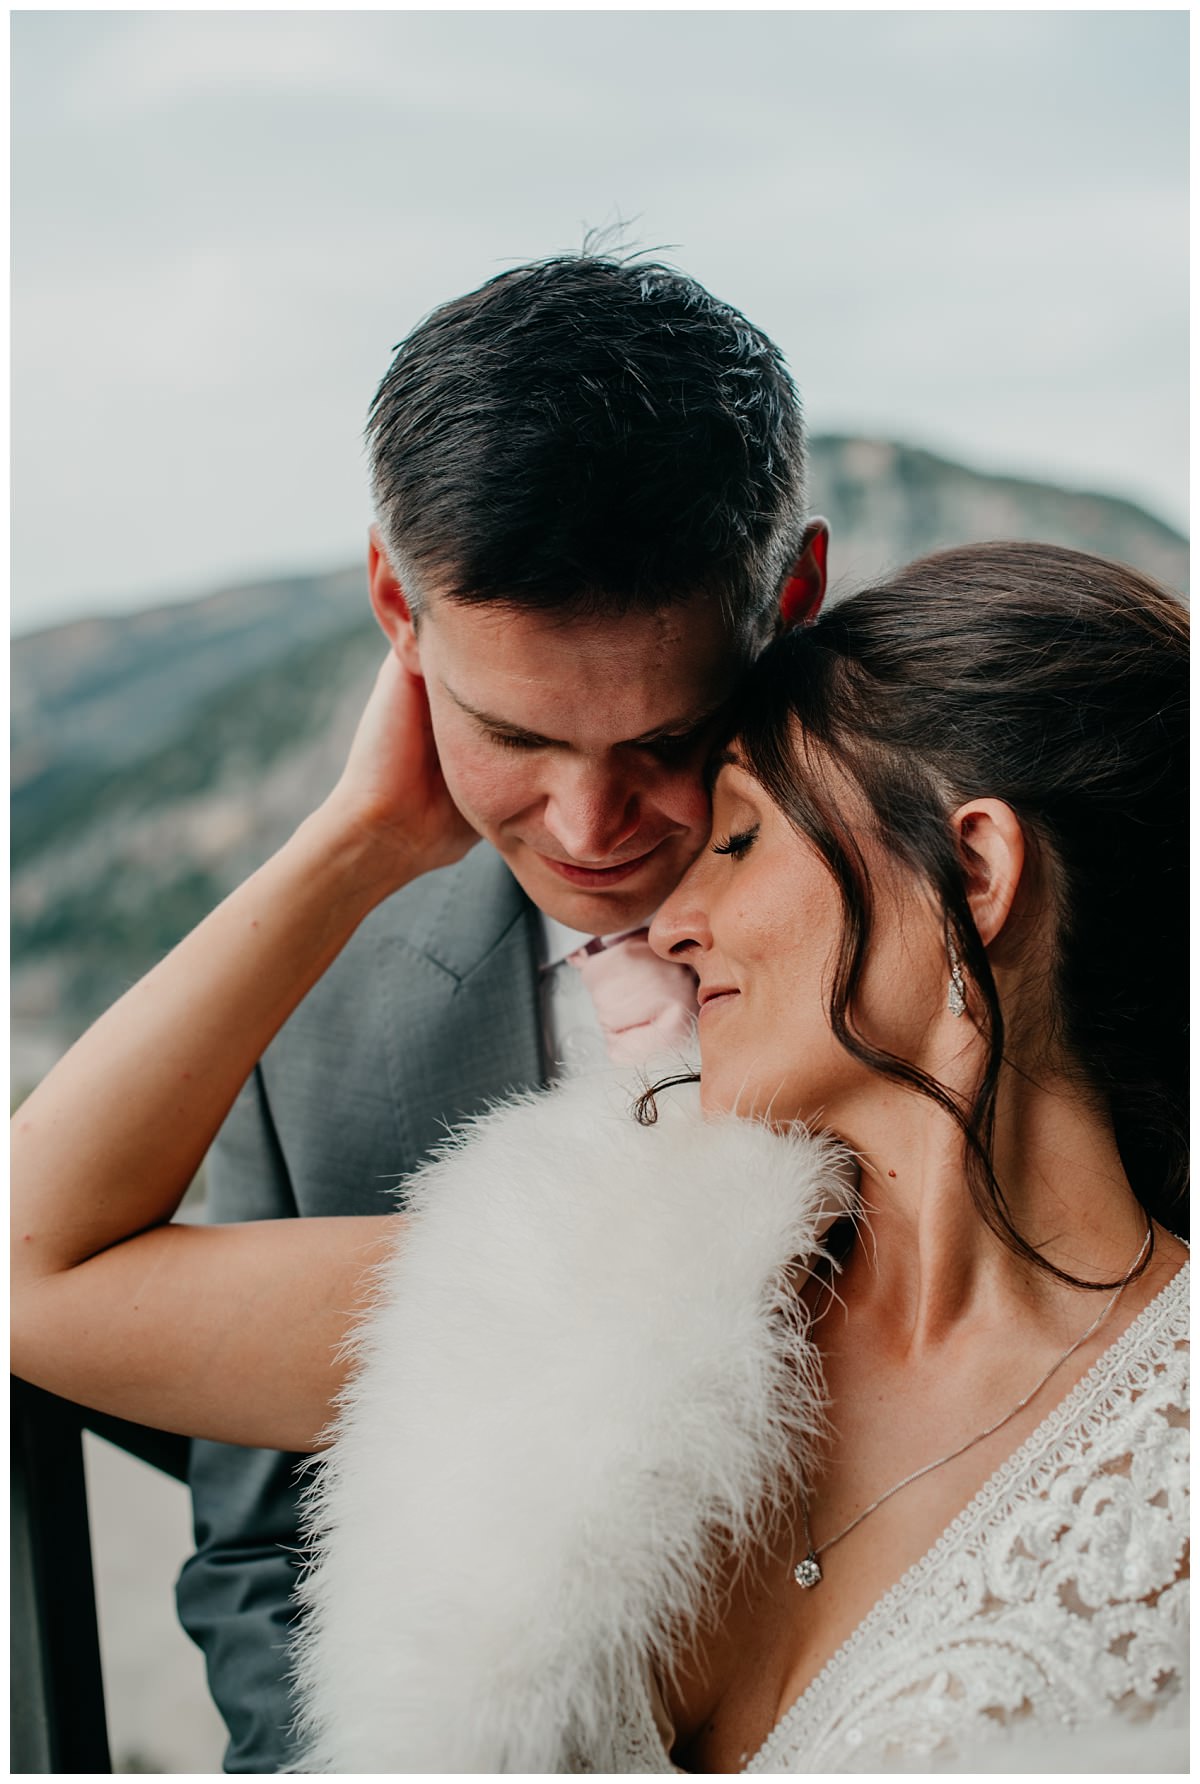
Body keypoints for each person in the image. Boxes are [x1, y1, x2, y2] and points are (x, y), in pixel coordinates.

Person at [12, 542, 1188, 1772]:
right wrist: (356, 837)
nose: (674, 922)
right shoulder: (602, 1249)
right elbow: (32, 1268)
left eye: (736, 840)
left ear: (976, 871)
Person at [171, 250, 829, 1768]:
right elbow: (263, 1555)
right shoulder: (316, 1011)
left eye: (668, 736)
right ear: (399, 607)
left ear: (791, 597)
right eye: (515, 733)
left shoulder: (967, 931)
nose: (592, 823)